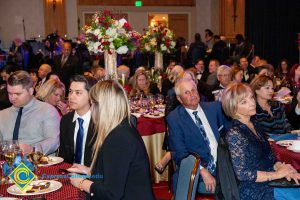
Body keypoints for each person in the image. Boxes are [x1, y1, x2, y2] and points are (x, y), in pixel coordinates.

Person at [68, 80, 155, 200]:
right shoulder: (121, 128)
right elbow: (116, 173)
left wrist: (82, 183)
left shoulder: (118, 138)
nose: (91, 109)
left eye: (92, 104)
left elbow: (111, 194)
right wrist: (89, 171)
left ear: (103, 107)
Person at [221, 83, 300, 200]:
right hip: (254, 189)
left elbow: (270, 157)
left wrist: (283, 168)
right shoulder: (235, 133)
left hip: (271, 179)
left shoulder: (255, 124)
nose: (252, 103)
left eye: (251, 98)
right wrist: (277, 174)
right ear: (233, 108)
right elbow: (242, 174)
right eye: (244, 102)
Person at [167, 78, 231, 193]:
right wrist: (202, 171)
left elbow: (232, 131)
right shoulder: (174, 119)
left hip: (224, 165)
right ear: (179, 99)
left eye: (193, 90)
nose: (192, 94)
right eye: (186, 92)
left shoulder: (215, 108)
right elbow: (180, 154)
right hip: (197, 170)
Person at [0, 70, 60, 155]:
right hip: (8, 162)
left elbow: (54, 141)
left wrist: (32, 150)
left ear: (31, 91)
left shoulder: (47, 111)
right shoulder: (2, 114)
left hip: (39, 163)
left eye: (18, 94)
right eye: (10, 93)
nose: (13, 98)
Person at [58, 75, 97, 166]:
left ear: (92, 95)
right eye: (70, 92)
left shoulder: (100, 122)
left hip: (94, 175)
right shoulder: (66, 120)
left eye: (78, 93)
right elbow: (63, 156)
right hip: (70, 173)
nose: (71, 97)